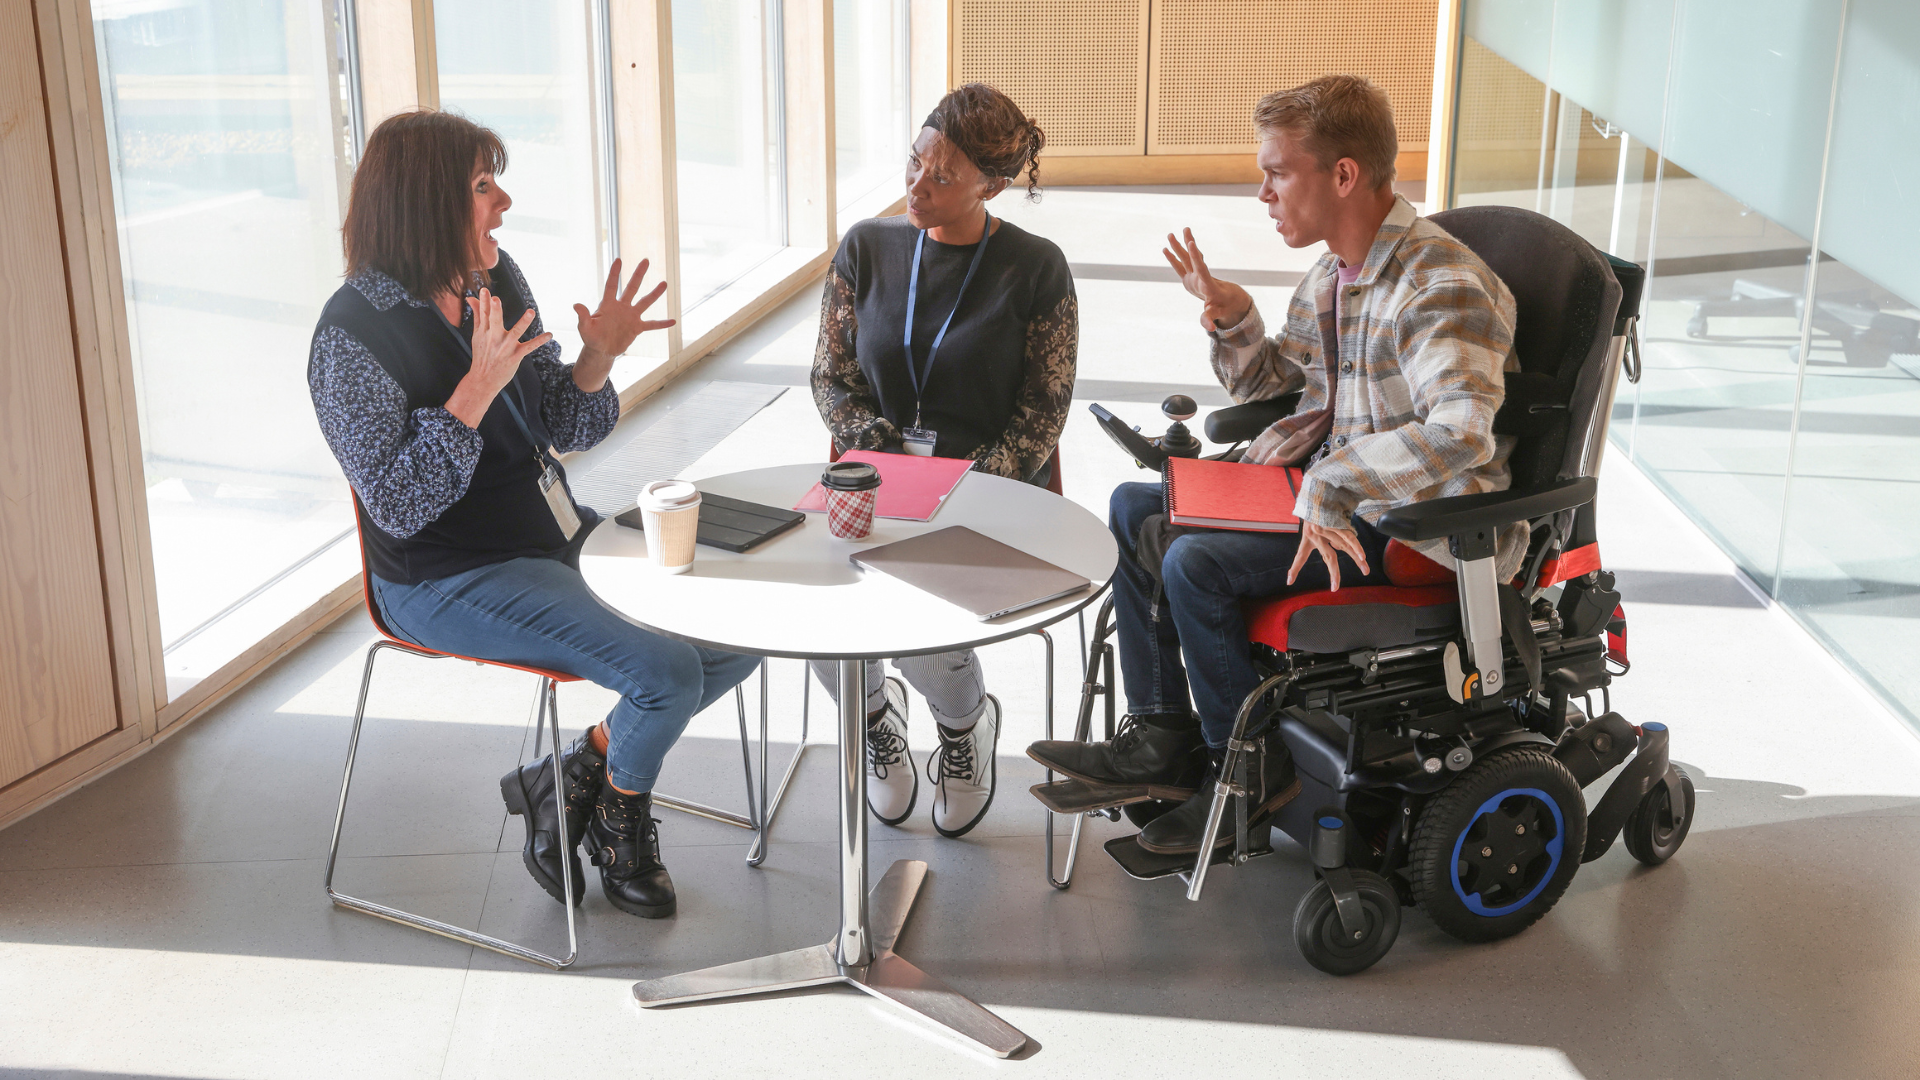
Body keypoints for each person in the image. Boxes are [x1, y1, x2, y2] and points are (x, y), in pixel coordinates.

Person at [1028, 75, 1521, 855]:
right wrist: (1230, 315)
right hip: (1335, 499)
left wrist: (1332, 480)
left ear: (1344, 175)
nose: (1263, 192)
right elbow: (1280, 389)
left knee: (1194, 563)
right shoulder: (1335, 273)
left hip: (1411, 530)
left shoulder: (1440, 285)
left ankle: (1248, 774)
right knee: (1132, 505)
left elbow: (1461, 434)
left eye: (1277, 172)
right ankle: (1162, 737)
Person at [308, 110, 759, 920]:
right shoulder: (349, 337)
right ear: (425, 202)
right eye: (484, 186)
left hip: (553, 537)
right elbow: (398, 505)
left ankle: (578, 773)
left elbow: (565, 423)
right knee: (666, 674)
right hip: (445, 575)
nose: (505, 202)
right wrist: (472, 392)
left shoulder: (495, 277)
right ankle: (620, 819)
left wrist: (599, 356)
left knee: (739, 635)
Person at [810, 83, 1078, 838]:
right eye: (914, 162)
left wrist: (965, 482)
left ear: (991, 186)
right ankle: (875, 720)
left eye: (943, 177)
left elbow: (1044, 410)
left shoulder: (1036, 268)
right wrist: (872, 440)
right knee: (812, 606)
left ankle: (963, 728)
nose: (917, 186)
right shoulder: (867, 246)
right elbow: (831, 375)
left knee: (919, 603)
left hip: (986, 491)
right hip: (877, 476)